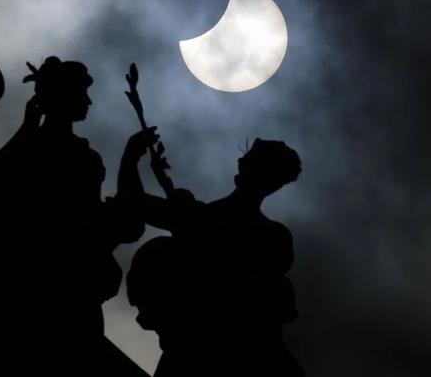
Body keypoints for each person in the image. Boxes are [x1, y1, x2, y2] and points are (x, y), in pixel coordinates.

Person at [0, 56, 144, 373]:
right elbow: (78, 223)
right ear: (63, 96)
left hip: (69, 287)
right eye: (82, 93)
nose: (88, 101)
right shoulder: (68, 155)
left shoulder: (53, 150)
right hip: (59, 288)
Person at [121, 127, 304, 376]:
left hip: (197, 354)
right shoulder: (275, 237)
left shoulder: (204, 219)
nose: (240, 161)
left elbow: (134, 201)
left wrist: (131, 155)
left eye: (248, 159)